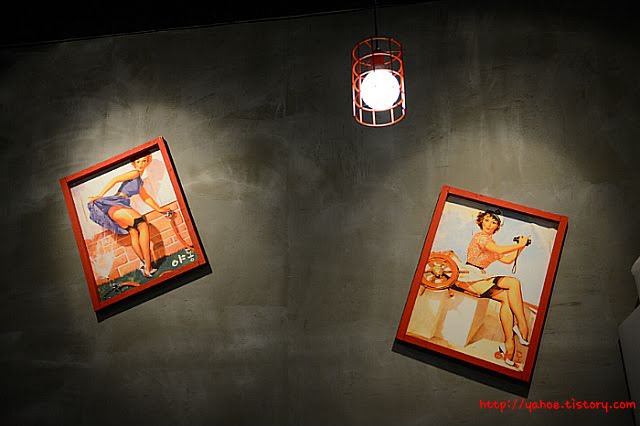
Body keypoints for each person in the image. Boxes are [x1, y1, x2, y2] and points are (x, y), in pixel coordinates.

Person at [453, 209, 531, 367]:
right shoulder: (480, 237)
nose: (489, 224)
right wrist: (519, 244)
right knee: (508, 293)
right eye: (487, 220)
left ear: (497, 227)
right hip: (468, 276)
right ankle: (520, 330)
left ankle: (509, 344)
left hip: (480, 275)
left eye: (494, 222)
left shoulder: (491, 243)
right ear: (481, 221)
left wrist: (521, 247)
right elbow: (500, 250)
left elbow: (508, 259)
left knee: (512, 286)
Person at [87, 154, 172, 278]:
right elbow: (115, 179)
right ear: (134, 164)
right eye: (138, 162)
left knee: (133, 231)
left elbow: (146, 198)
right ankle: (148, 267)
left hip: (118, 208)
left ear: (148, 162)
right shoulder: (135, 173)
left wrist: (159, 209)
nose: (141, 164)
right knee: (143, 225)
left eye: (144, 161)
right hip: (116, 205)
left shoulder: (139, 181)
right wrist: (100, 195)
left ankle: (144, 263)